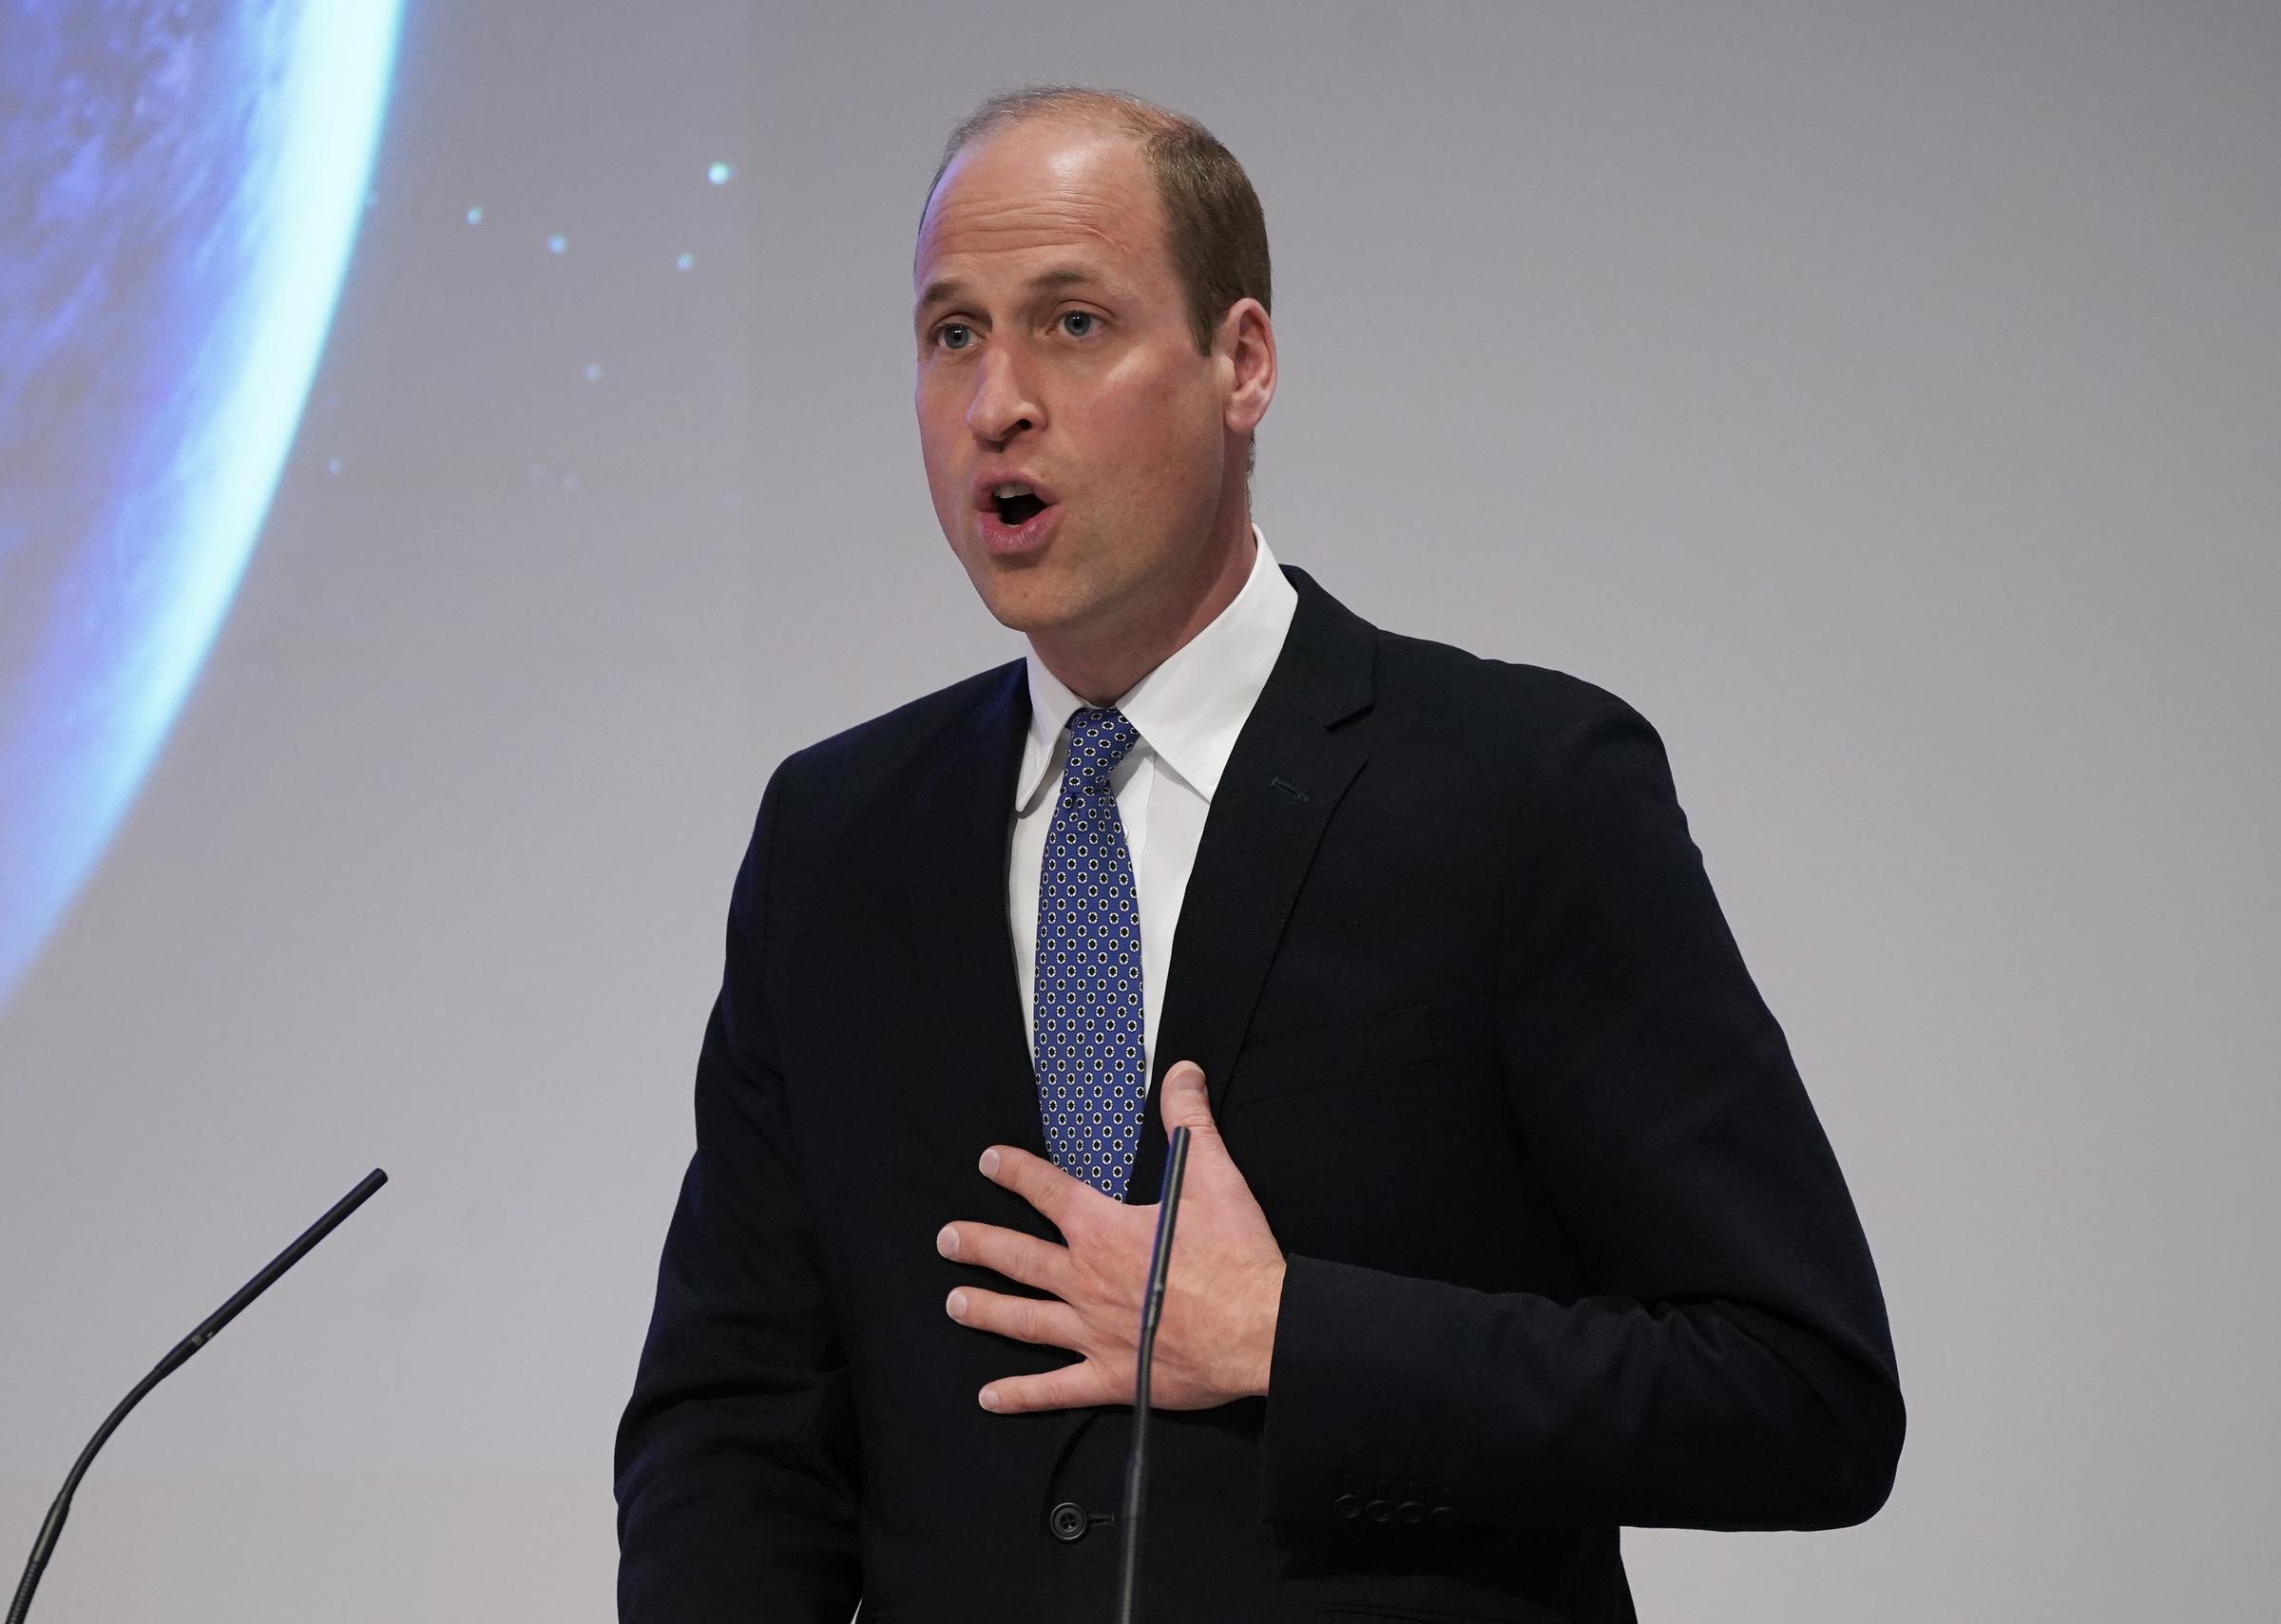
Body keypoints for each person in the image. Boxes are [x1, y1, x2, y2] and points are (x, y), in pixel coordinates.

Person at [614, 86, 1904, 1624]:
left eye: (1073, 323)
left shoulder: (1521, 788)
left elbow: (1799, 1391)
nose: (995, 402)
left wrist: (1291, 1335)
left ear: (1244, 362)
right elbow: (736, 1430)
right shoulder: (836, 840)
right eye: (952, 332)